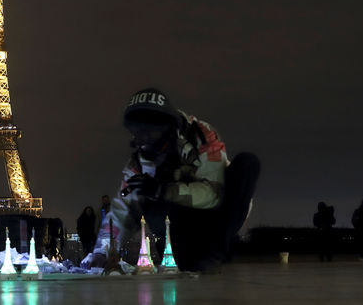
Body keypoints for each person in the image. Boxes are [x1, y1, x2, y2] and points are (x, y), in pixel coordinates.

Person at [82, 88, 260, 272]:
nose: (143, 140)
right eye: (137, 132)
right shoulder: (137, 165)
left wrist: (162, 190)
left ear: (167, 127)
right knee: (148, 204)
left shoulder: (201, 136)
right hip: (179, 221)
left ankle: (217, 250)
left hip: (217, 214)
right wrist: (101, 252)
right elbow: (122, 208)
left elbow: (214, 193)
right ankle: (185, 254)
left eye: (150, 131)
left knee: (247, 164)